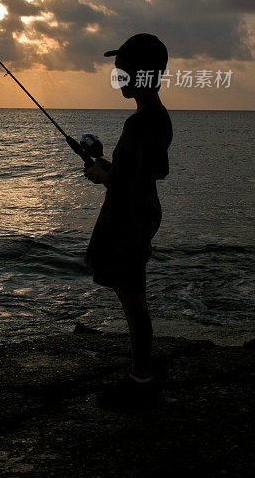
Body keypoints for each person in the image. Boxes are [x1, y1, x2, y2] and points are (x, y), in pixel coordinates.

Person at [84, 33, 173, 406]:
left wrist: (100, 174)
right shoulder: (155, 118)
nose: (117, 75)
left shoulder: (140, 124)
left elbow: (125, 181)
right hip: (140, 213)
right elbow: (151, 170)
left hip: (129, 220)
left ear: (141, 73)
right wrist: (113, 168)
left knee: (133, 298)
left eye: (122, 69)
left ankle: (141, 380)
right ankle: (142, 371)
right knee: (131, 294)